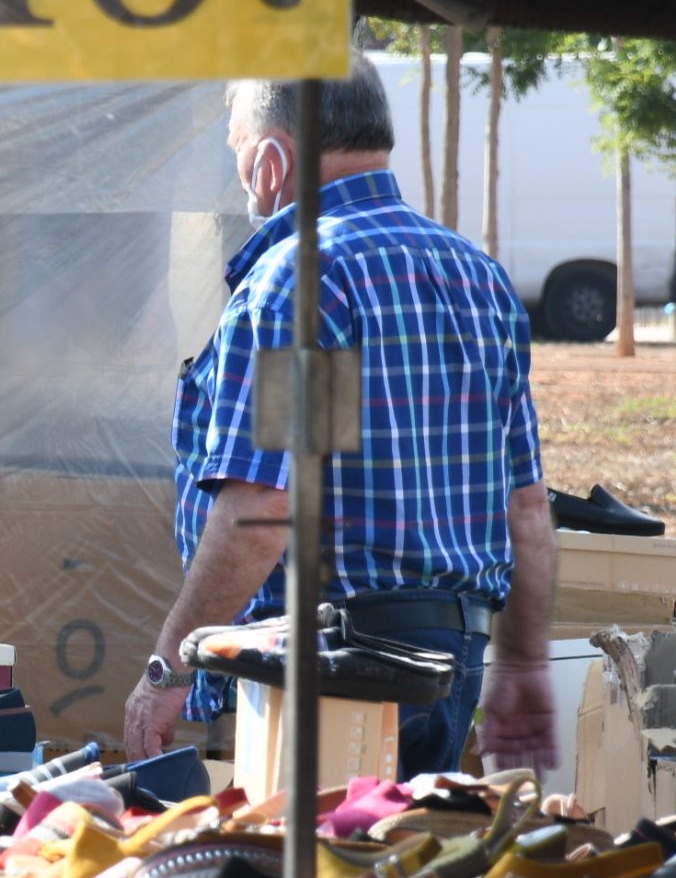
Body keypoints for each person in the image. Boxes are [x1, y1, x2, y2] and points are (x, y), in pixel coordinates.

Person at [123, 67, 558, 779]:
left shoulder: (307, 279)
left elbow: (267, 503)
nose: (244, 184)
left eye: (239, 157)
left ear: (271, 163)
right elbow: (527, 508)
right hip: (453, 663)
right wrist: (525, 666)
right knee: (401, 876)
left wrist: (166, 670)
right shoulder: (478, 278)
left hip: (334, 669)